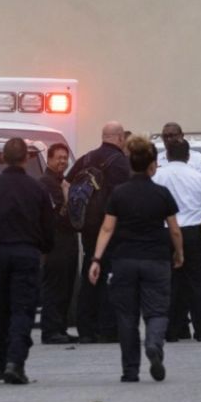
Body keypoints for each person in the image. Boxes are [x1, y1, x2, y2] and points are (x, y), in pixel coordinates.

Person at [88, 136, 183, 383]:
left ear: (130, 163)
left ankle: (130, 370)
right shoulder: (162, 194)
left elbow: (107, 229)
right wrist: (179, 253)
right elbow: (174, 229)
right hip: (156, 259)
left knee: (127, 316)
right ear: (152, 165)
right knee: (157, 311)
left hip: (124, 260)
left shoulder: (119, 193)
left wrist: (97, 259)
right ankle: (153, 344)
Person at [0, 138, 55, 385]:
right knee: (22, 310)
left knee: (1, 309)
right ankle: (15, 361)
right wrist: (45, 250)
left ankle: (3, 360)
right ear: (26, 158)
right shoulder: (38, 190)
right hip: (27, 254)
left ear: (3, 158)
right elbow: (49, 227)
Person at [66, 122, 131, 343]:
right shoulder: (121, 163)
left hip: (87, 227)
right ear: (120, 138)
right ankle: (107, 328)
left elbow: (66, 184)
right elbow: (124, 198)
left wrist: (76, 215)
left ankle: (86, 329)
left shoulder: (85, 158)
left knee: (89, 271)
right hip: (110, 227)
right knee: (108, 276)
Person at [153, 138, 201, 342]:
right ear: (188, 155)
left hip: (165, 234)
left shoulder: (157, 176)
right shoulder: (198, 178)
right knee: (198, 283)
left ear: (167, 154)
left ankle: (171, 330)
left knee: (169, 283)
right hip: (192, 234)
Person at [39, 142, 80, 345]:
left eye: (65, 158)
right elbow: (60, 215)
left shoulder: (62, 180)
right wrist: (66, 196)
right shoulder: (47, 183)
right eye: (59, 158)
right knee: (55, 286)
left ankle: (60, 327)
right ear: (49, 159)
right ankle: (51, 330)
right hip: (56, 241)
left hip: (68, 240)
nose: (63, 161)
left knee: (66, 285)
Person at [156, 122, 201, 192]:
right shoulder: (156, 159)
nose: (168, 139)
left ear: (181, 135)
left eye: (172, 135)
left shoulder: (197, 159)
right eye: (165, 136)